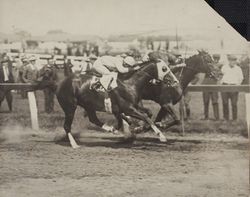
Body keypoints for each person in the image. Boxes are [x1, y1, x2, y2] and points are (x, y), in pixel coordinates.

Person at [221, 54, 243, 120]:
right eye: (231, 60)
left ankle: (234, 119)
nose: (233, 62)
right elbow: (220, 76)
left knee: (234, 104)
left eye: (234, 61)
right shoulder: (224, 67)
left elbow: (241, 78)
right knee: (225, 103)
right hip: (225, 86)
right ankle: (226, 118)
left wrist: (237, 86)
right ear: (229, 61)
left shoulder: (238, 69)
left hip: (234, 87)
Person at [201, 54, 223, 120]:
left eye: (217, 58)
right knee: (206, 101)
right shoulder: (208, 65)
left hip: (214, 84)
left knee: (215, 101)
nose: (216, 60)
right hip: (206, 83)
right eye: (215, 58)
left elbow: (221, 75)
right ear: (213, 58)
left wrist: (218, 78)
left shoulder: (220, 66)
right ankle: (206, 116)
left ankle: (217, 117)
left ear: (219, 59)